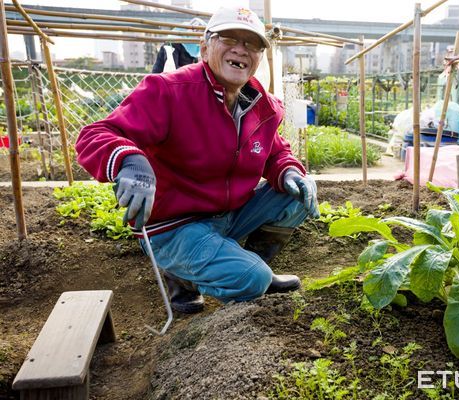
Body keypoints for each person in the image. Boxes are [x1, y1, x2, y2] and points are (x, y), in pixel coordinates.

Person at [76, 6, 320, 314]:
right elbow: (96, 134)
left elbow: (274, 151)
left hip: (227, 214)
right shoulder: (169, 91)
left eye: (252, 43)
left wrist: (288, 172)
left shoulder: (262, 106)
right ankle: (188, 273)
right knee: (252, 281)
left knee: (297, 195)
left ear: (258, 57)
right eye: (229, 37)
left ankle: (245, 262)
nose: (240, 49)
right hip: (175, 225)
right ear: (204, 48)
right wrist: (129, 161)